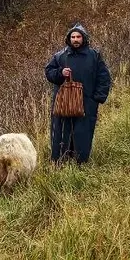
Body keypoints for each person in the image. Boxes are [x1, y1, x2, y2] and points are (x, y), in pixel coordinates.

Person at [44, 23, 112, 164]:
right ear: (69, 39)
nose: (75, 39)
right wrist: (60, 73)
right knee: (62, 133)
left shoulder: (94, 56)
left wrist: (96, 99)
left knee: (83, 134)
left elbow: (104, 77)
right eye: (73, 37)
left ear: (84, 38)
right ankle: (60, 163)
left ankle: (81, 164)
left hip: (87, 103)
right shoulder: (60, 56)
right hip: (63, 103)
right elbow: (49, 72)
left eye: (78, 37)